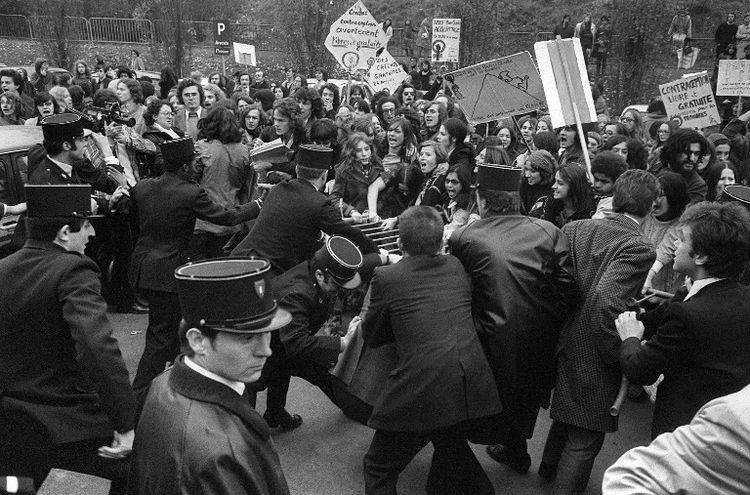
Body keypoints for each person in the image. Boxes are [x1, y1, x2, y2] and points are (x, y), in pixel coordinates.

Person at [0, 184, 136, 487]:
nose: (92, 234)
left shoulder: (3, 268)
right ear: (64, 233)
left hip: (12, 426)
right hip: (72, 426)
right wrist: (126, 423)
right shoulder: (75, 269)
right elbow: (96, 345)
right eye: (86, 225)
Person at [449, 164, 579, 475]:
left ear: (481, 200)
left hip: (485, 336)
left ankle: (458, 466)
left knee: (474, 401)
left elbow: (457, 291)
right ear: (515, 197)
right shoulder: (550, 231)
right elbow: (569, 290)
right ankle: (515, 450)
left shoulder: (464, 236)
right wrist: (544, 321)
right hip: (537, 337)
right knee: (524, 396)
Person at [362, 205, 501, 495]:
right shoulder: (456, 267)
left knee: (378, 467)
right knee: (451, 445)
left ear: (400, 243)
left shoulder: (386, 277)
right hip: (470, 381)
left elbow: (372, 335)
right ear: (441, 242)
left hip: (421, 386)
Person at [540, 169, 660, 493]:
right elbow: (606, 300)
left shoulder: (576, 227)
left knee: (566, 413)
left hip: (565, 334)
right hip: (594, 345)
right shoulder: (639, 247)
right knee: (585, 438)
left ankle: (547, 468)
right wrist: (615, 351)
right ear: (651, 208)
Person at [127, 257, 291, 495]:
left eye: (266, 333)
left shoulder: (164, 381)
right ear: (198, 340)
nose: (266, 350)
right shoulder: (219, 453)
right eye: (247, 338)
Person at [127, 137, 263, 405]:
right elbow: (228, 217)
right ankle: (137, 400)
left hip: (143, 269)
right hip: (168, 273)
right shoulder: (190, 193)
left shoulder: (143, 188)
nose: (197, 166)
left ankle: (166, 390)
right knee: (160, 339)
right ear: (184, 167)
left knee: (166, 333)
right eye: (193, 163)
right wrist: (258, 205)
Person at [615, 201, 750, 439]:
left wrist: (630, 337)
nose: (675, 245)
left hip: (684, 433)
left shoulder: (688, 315)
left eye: (683, 240)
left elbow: (640, 371)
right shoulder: (736, 296)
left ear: (700, 256)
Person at [250, 236, 387, 430]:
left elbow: (357, 270)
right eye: (338, 286)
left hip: (284, 344)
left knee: (300, 371)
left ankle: (275, 413)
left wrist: (388, 258)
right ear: (320, 275)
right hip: (260, 349)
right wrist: (343, 342)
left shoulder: (326, 271)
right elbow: (297, 344)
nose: (342, 291)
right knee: (247, 415)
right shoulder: (297, 294)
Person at [231, 144, 378, 274]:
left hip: (237, 260)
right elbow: (348, 233)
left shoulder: (278, 189)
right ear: (324, 175)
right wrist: (377, 252)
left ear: (296, 169)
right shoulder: (319, 203)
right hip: (263, 273)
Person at [602, 384, 750, 494]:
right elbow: (632, 478)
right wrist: (630, 344)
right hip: (686, 417)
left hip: (685, 412)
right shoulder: (740, 417)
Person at [187, 106, 254, 260]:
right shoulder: (244, 151)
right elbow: (246, 186)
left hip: (205, 218)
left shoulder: (202, 147)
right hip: (234, 218)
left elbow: (191, 177)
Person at [641, 172, 691, 296]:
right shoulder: (645, 215)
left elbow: (664, 252)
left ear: (674, 197)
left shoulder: (681, 224)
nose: (655, 200)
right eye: (654, 194)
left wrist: (648, 277)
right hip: (638, 285)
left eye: (661, 195)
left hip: (660, 294)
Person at [331, 132, 383, 221]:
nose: (364, 154)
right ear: (352, 152)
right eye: (359, 151)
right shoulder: (344, 170)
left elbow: (385, 194)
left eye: (367, 149)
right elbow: (334, 199)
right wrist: (351, 211)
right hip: (356, 220)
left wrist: (372, 210)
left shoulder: (378, 164)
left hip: (378, 218)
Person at [537, 163, 595, 228]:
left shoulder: (590, 212)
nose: (553, 186)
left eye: (560, 183)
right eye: (555, 181)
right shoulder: (552, 202)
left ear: (574, 186)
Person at [658, 129, 708, 203]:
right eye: (687, 152)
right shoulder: (658, 167)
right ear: (674, 151)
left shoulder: (697, 185)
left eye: (696, 154)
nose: (692, 159)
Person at [591, 151, 628, 219]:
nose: (597, 185)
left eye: (604, 182)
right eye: (596, 179)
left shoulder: (614, 204)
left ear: (617, 183)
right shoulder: (592, 194)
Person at [519, 149, 556, 215]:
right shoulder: (524, 186)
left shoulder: (551, 194)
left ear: (544, 173)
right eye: (526, 169)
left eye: (533, 171)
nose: (527, 175)